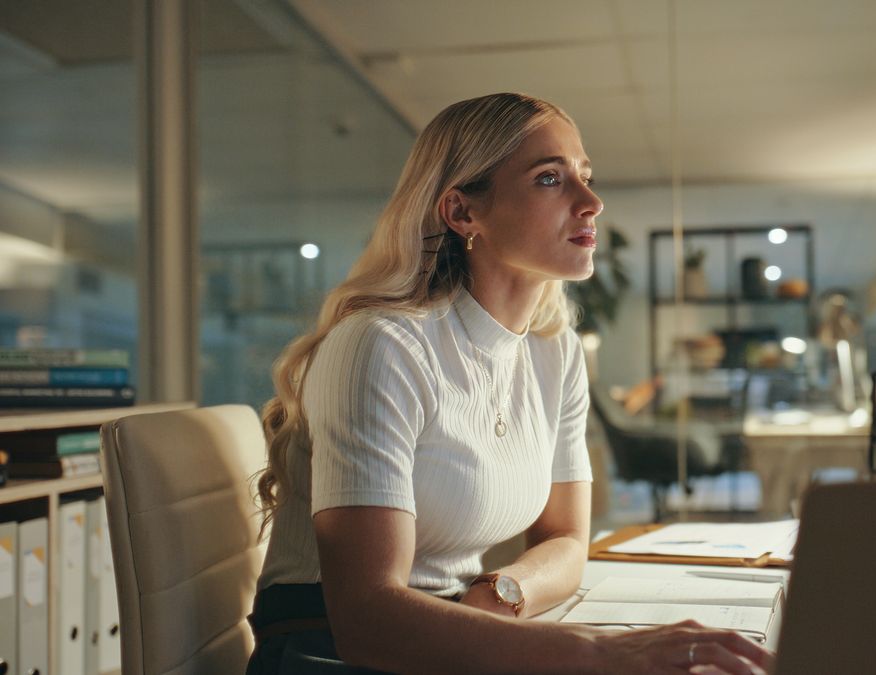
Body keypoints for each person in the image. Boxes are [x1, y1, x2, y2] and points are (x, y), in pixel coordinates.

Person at [245, 92, 773, 675]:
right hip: (328, 651)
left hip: (451, 633)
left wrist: (500, 594)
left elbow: (568, 543)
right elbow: (370, 620)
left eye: (585, 176)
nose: (592, 203)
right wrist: (596, 651)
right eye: (550, 179)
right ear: (463, 213)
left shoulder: (555, 350)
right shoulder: (382, 345)